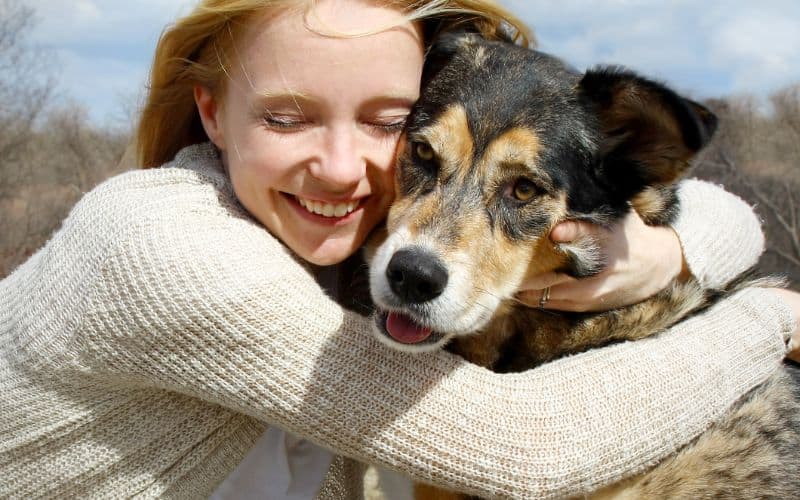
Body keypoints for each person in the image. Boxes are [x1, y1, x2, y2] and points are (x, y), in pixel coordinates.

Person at [1, 0, 798, 498]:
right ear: (210, 113)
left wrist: (671, 254)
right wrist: (766, 319)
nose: (344, 167)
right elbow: (527, 452)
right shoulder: (166, 250)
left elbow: (713, 205)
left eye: (386, 123)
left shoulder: (325, 231)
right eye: (286, 117)